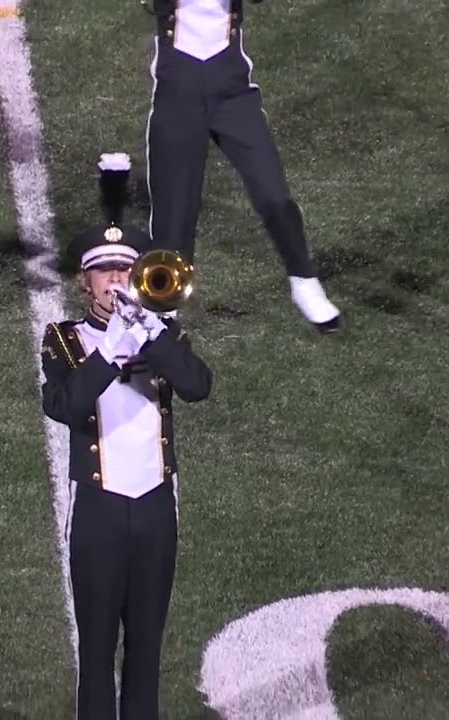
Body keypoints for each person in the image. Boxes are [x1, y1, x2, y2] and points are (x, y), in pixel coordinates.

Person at [41, 153, 212, 719]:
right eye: (104, 271)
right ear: (84, 280)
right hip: (98, 512)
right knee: (95, 654)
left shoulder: (162, 332)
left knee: (146, 651)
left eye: (125, 270)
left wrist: (149, 334)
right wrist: (111, 349)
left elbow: (197, 386)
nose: (115, 280)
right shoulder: (64, 339)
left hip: (157, 508)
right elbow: (64, 404)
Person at [141, 0, 342, 332]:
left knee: (274, 193)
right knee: (174, 213)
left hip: (233, 91)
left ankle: (304, 281)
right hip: (178, 90)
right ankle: (164, 303)